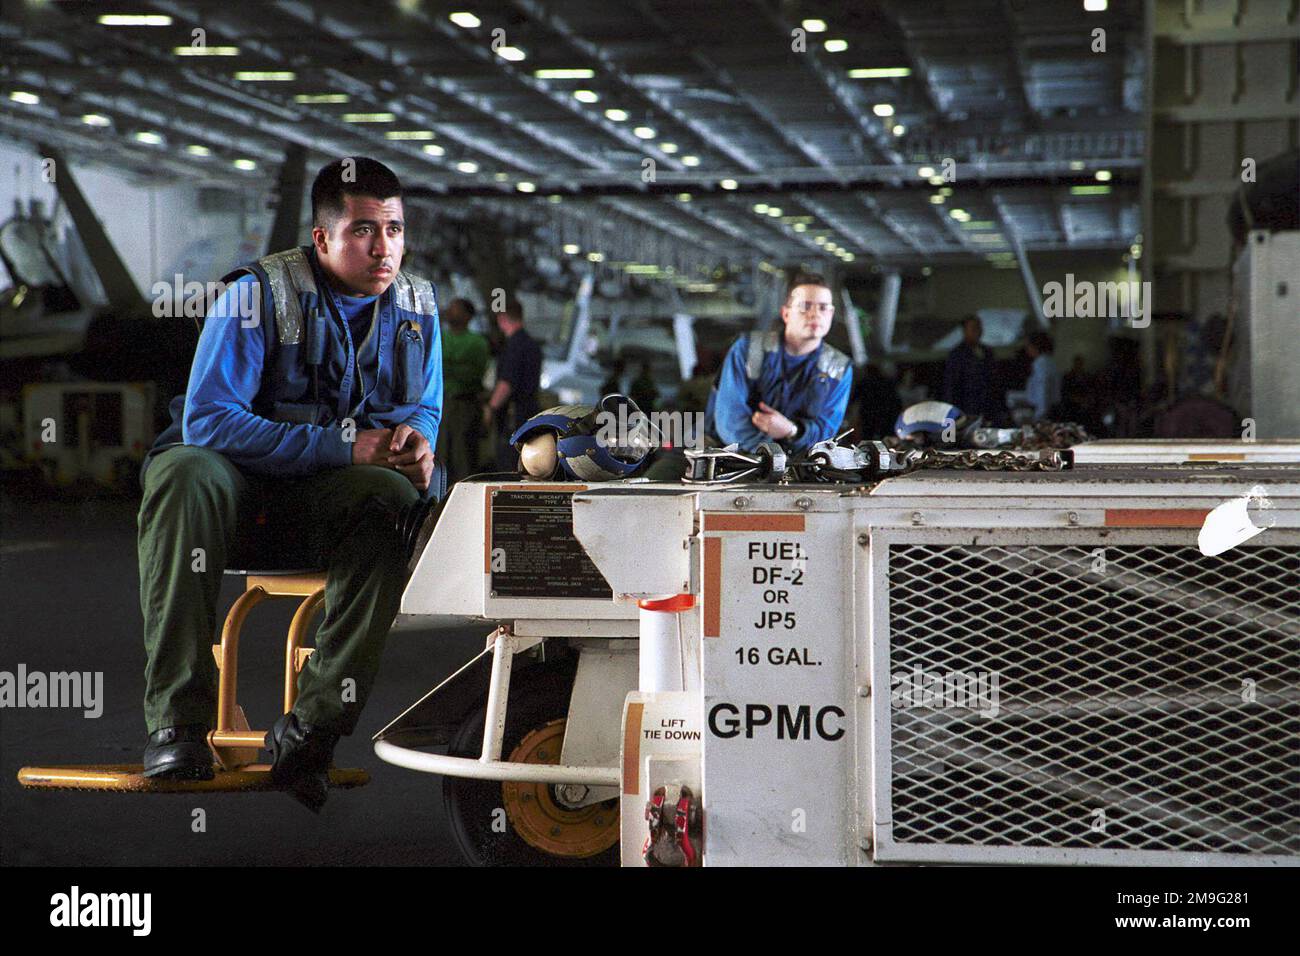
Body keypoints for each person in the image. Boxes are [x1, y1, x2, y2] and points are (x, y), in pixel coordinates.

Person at [136, 157, 442, 811]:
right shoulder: (256, 297)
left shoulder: (417, 306)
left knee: (395, 501)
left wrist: (419, 446)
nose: (383, 246)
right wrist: (342, 444)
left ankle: (312, 730)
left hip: (317, 506)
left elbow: (424, 408)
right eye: (364, 230)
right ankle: (177, 724)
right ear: (323, 237)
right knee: (184, 470)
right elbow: (207, 420)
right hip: (227, 501)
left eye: (393, 228)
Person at [705, 273, 852, 452]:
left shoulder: (838, 369)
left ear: (831, 314)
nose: (815, 314)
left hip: (797, 464)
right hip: (731, 454)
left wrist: (791, 430)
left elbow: (825, 430)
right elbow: (730, 420)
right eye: (806, 306)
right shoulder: (747, 350)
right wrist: (771, 453)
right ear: (786, 314)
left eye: (823, 307)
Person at [483, 297, 542, 470]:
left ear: (502, 319)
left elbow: (506, 383)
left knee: (508, 462)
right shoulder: (531, 344)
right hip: (529, 413)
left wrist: (490, 408)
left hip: (512, 416)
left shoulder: (513, 346)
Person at [436, 297, 489, 483]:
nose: (450, 311)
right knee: (440, 452)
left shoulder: (477, 342)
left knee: (463, 454)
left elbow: (473, 375)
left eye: (455, 309)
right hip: (441, 402)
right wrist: (456, 366)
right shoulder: (439, 336)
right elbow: (434, 367)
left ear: (467, 316)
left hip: (465, 404)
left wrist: (448, 367)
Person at [941, 315, 997, 420]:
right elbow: (951, 386)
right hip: (967, 408)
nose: (977, 331)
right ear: (965, 330)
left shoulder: (987, 352)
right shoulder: (957, 354)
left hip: (988, 408)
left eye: (979, 328)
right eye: (973, 328)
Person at [1021, 330, 1062, 420]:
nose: (1027, 349)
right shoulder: (1048, 361)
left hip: (1045, 411)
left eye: (1028, 346)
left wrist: (1039, 415)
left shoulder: (1041, 364)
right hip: (1049, 408)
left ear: (1036, 346)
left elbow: (1043, 389)